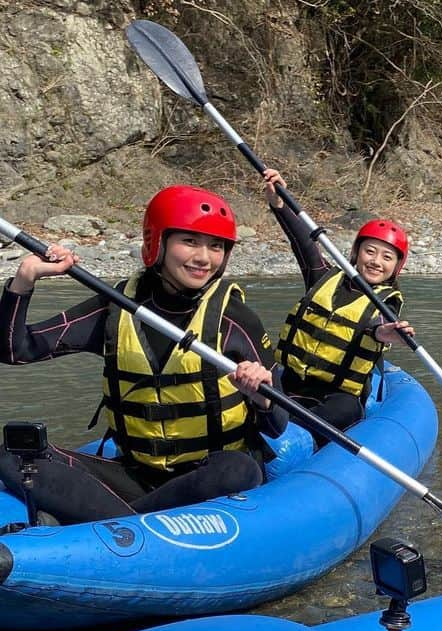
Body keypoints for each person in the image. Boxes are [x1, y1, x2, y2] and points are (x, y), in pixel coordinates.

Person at [0, 184, 290, 525]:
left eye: (216, 246)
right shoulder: (116, 308)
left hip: (207, 476)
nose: (204, 258)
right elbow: (14, 350)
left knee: (238, 470)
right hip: (135, 475)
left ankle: (108, 525)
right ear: (157, 244)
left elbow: (277, 424)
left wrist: (262, 398)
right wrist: (25, 279)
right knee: (14, 456)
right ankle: (129, 523)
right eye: (190, 242)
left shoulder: (234, 318)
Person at [262, 168, 414, 435]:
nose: (376, 261)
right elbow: (303, 244)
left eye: (387, 257)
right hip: (291, 379)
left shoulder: (387, 302)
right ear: (356, 253)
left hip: (337, 394)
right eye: (370, 251)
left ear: (396, 267)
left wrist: (385, 333)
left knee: (345, 411)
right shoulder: (323, 277)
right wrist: (279, 204)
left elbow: (377, 326)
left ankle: (293, 436)